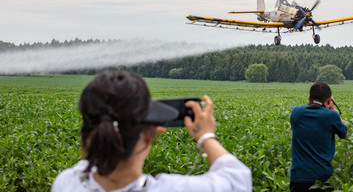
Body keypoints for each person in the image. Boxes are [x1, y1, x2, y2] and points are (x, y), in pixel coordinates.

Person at [51, 70, 251, 192]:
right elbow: (238, 179)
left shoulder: (66, 183)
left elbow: (90, 160)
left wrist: (138, 130)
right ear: (146, 139)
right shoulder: (170, 189)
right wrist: (206, 136)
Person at [289, 82, 348, 192]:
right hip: (322, 177)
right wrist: (333, 109)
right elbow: (344, 133)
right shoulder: (332, 116)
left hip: (298, 177)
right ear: (329, 100)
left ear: (309, 97)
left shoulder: (296, 112)